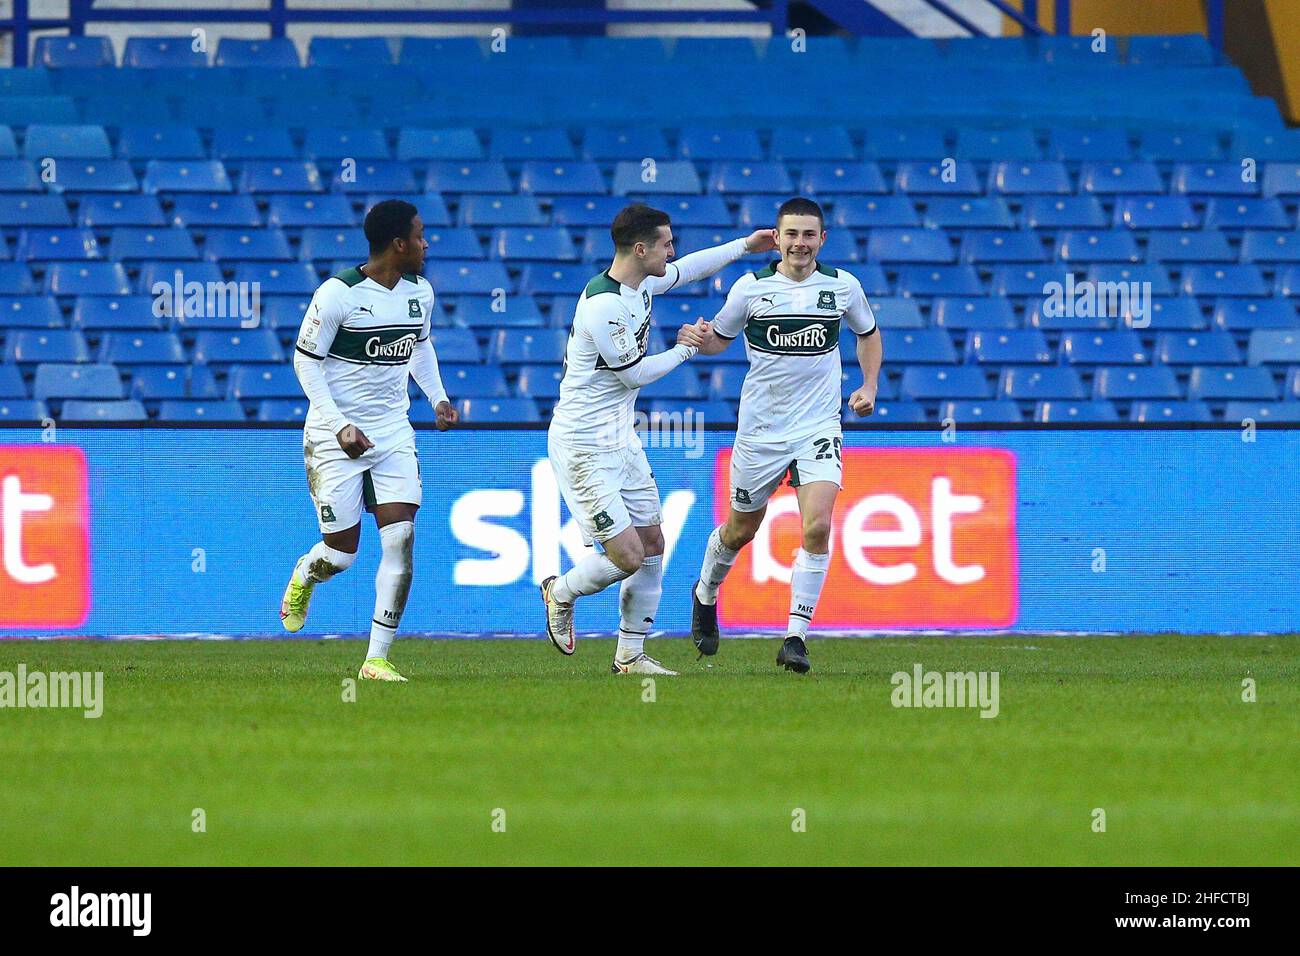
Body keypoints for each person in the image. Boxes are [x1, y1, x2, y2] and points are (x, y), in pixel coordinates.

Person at [542, 203, 776, 675]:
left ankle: (629, 655)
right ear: (641, 248)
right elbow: (633, 376)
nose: (673, 251)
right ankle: (559, 590)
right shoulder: (605, 305)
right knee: (626, 557)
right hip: (584, 446)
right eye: (666, 243)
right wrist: (687, 347)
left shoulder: (641, 282)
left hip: (621, 439)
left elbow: (688, 270)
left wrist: (744, 246)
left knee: (652, 544)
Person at [689, 197, 882, 674]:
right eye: (791, 234)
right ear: (776, 239)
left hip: (818, 426)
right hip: (760, 431)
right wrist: (700, 338)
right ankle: (706, 592)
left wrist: (869, 385)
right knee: (740, 531)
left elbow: (868, 333)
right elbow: (720, 339)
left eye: (808, 234)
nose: (800, 243)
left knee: (816, 526)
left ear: (822, 239)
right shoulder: (751, 289)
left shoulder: (842, 287)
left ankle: (795, 637)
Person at [279, 199, 457, 682]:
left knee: (401, 537)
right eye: (420, 236)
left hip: (394, 432)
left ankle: (375, 658)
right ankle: (306, 573)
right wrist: (339, 425)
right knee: (341, 554)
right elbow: (305, 362)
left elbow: (419, 347)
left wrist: (437, 397)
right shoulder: (337, 294)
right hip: (335, 436)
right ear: (398, 244)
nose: (426, 244)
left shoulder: (421, 292)